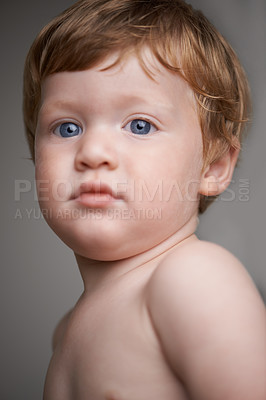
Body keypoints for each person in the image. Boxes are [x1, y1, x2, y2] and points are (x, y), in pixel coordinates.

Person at [23, 0, 266, 399]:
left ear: (214, 167)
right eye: (67, 128)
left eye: (139, 125)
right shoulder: (66, 332)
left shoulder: (193, 279)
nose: (93, 151)